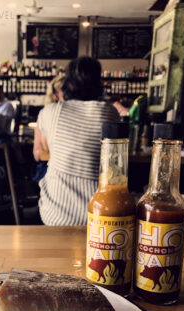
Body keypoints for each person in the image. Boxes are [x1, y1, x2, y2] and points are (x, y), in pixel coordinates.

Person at [35, 56, 120, 226]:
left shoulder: (50, 111)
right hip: (98, 215)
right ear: (99, 82)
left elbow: (40, 150)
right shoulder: (110, 112)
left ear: (68, 81)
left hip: (55, 215)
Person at [33, 75, 65, 182]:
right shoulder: (47, 116)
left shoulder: (43, 115)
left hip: (44, 168)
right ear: (57, 95)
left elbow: (36, 154)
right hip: (48, 170)